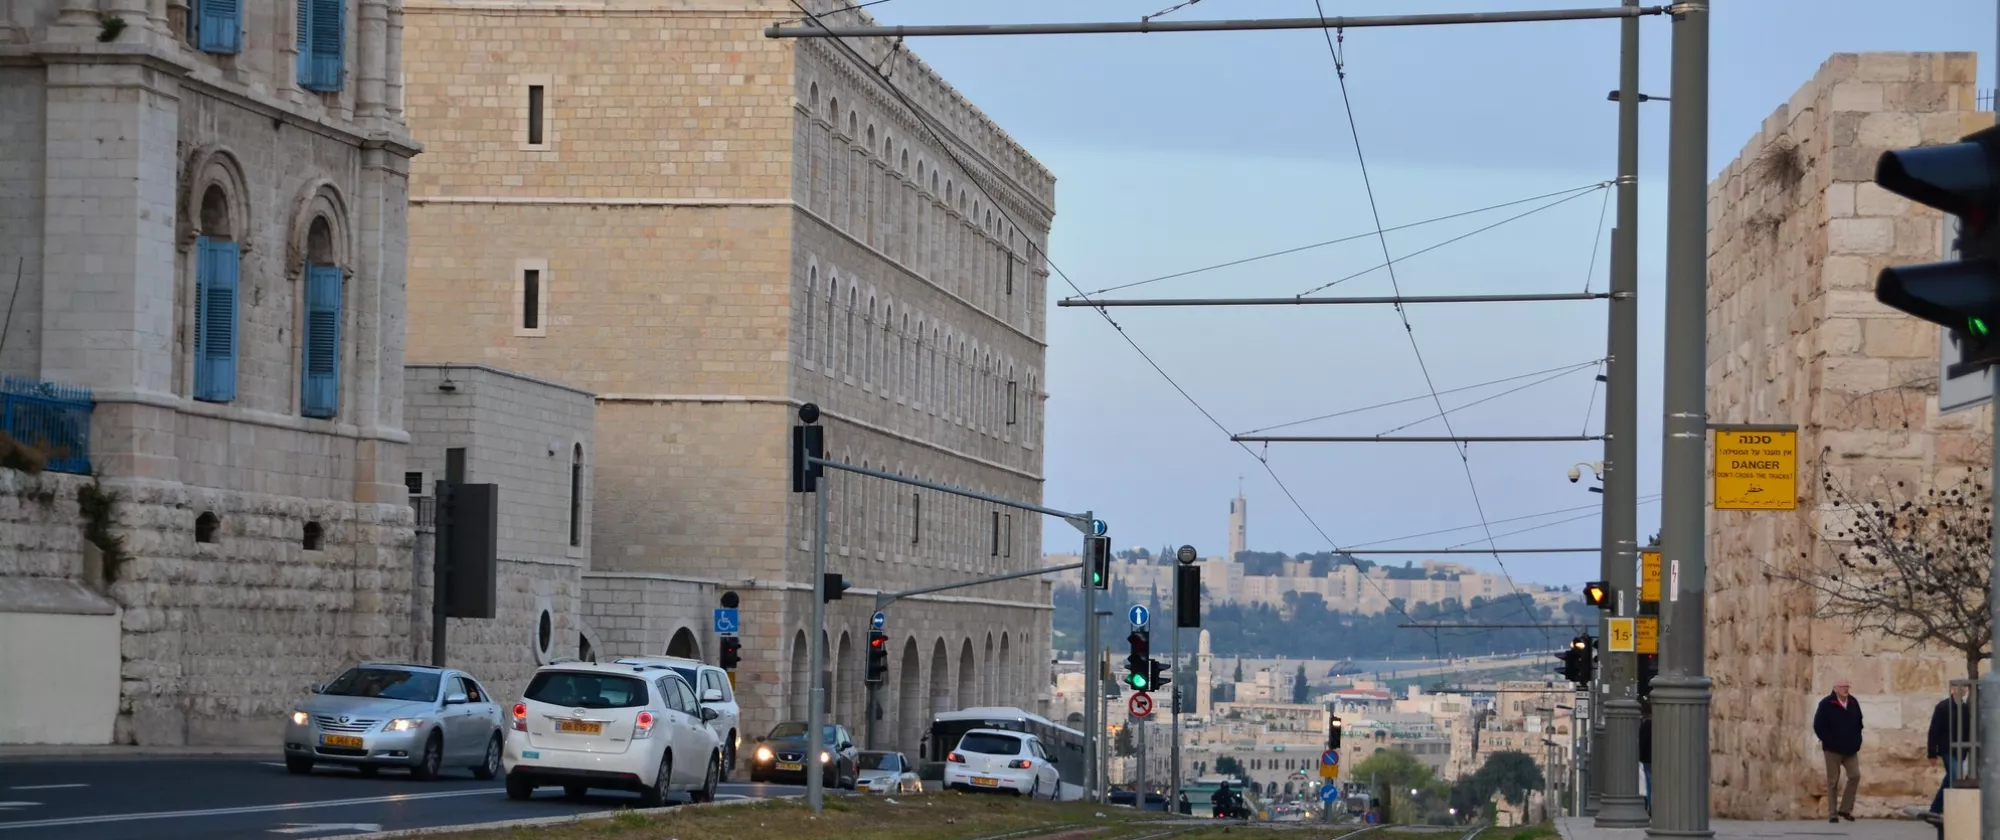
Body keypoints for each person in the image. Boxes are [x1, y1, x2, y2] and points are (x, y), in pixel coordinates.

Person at [1812, 678, 1864, 823]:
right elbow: (1818, 725)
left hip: (1850, 749)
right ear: (1835, 689)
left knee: (1855, 776)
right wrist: (1828, 740)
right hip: (1832, 749)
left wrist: (1857, 741)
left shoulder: (1853, 703)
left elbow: (1859, 722)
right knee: (1833, 781)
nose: (1845, 689)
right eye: (1842, 687)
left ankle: (1845, 809)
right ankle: (1832, 813)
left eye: (1847, 687)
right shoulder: (1826, 704)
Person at [1927, 684, 1973, 822]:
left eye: (1964, 688)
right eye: (1959, 687)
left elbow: (1968, 730)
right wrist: (1932, 753)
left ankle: (1935, 810)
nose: (1962, 690)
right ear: (1953, 690)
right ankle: (1936, 809)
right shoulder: (1943, 707)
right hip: (1947, 749)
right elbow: (1934, 730)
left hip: (1961, 750)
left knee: (1951, 778)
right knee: (1954, 776)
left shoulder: (1965, 709)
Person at [1638, 698, 1653, 814]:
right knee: (1651, 781)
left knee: (1649, 782)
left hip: (1646, 758)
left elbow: (1641, 742)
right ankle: (1651, 804)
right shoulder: (1654, 725)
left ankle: (1650, 804)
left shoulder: (1644, 725)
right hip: (1653, 757)